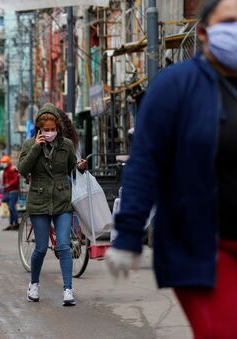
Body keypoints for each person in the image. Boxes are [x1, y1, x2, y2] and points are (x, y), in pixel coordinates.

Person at [106, 1, 237, 337]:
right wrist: (128, 234)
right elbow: (145, 162)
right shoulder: (175, 86)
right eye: (231, 21)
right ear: (205, 33)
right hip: (201, 246)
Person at [18, 103, 86, 306]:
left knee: (64, 245)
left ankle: (68, 290)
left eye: (52, 129)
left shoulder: (66, 145)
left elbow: (71, 168)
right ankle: (34, 284)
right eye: (45, 130)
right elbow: (22, 169)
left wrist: (80, 167)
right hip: (38, 202)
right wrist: (37, 148)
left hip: (62, 200)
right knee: (40, 248)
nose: (50, 133)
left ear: (57, 127)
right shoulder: (30, 145)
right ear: (39, 129)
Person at [0, 155, 20, 231]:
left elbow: (16, 179)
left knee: (11, 207)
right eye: (2, 162)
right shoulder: (5, 170)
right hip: (7, 191)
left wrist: (9, 184)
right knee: (10, 208)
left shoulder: (13, 168)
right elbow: (3, 181)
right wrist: (3, 189)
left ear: (8, 162)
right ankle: (11, 224)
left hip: (14, 191)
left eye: (4, 162)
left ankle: (17, 223)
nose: (3, 164)